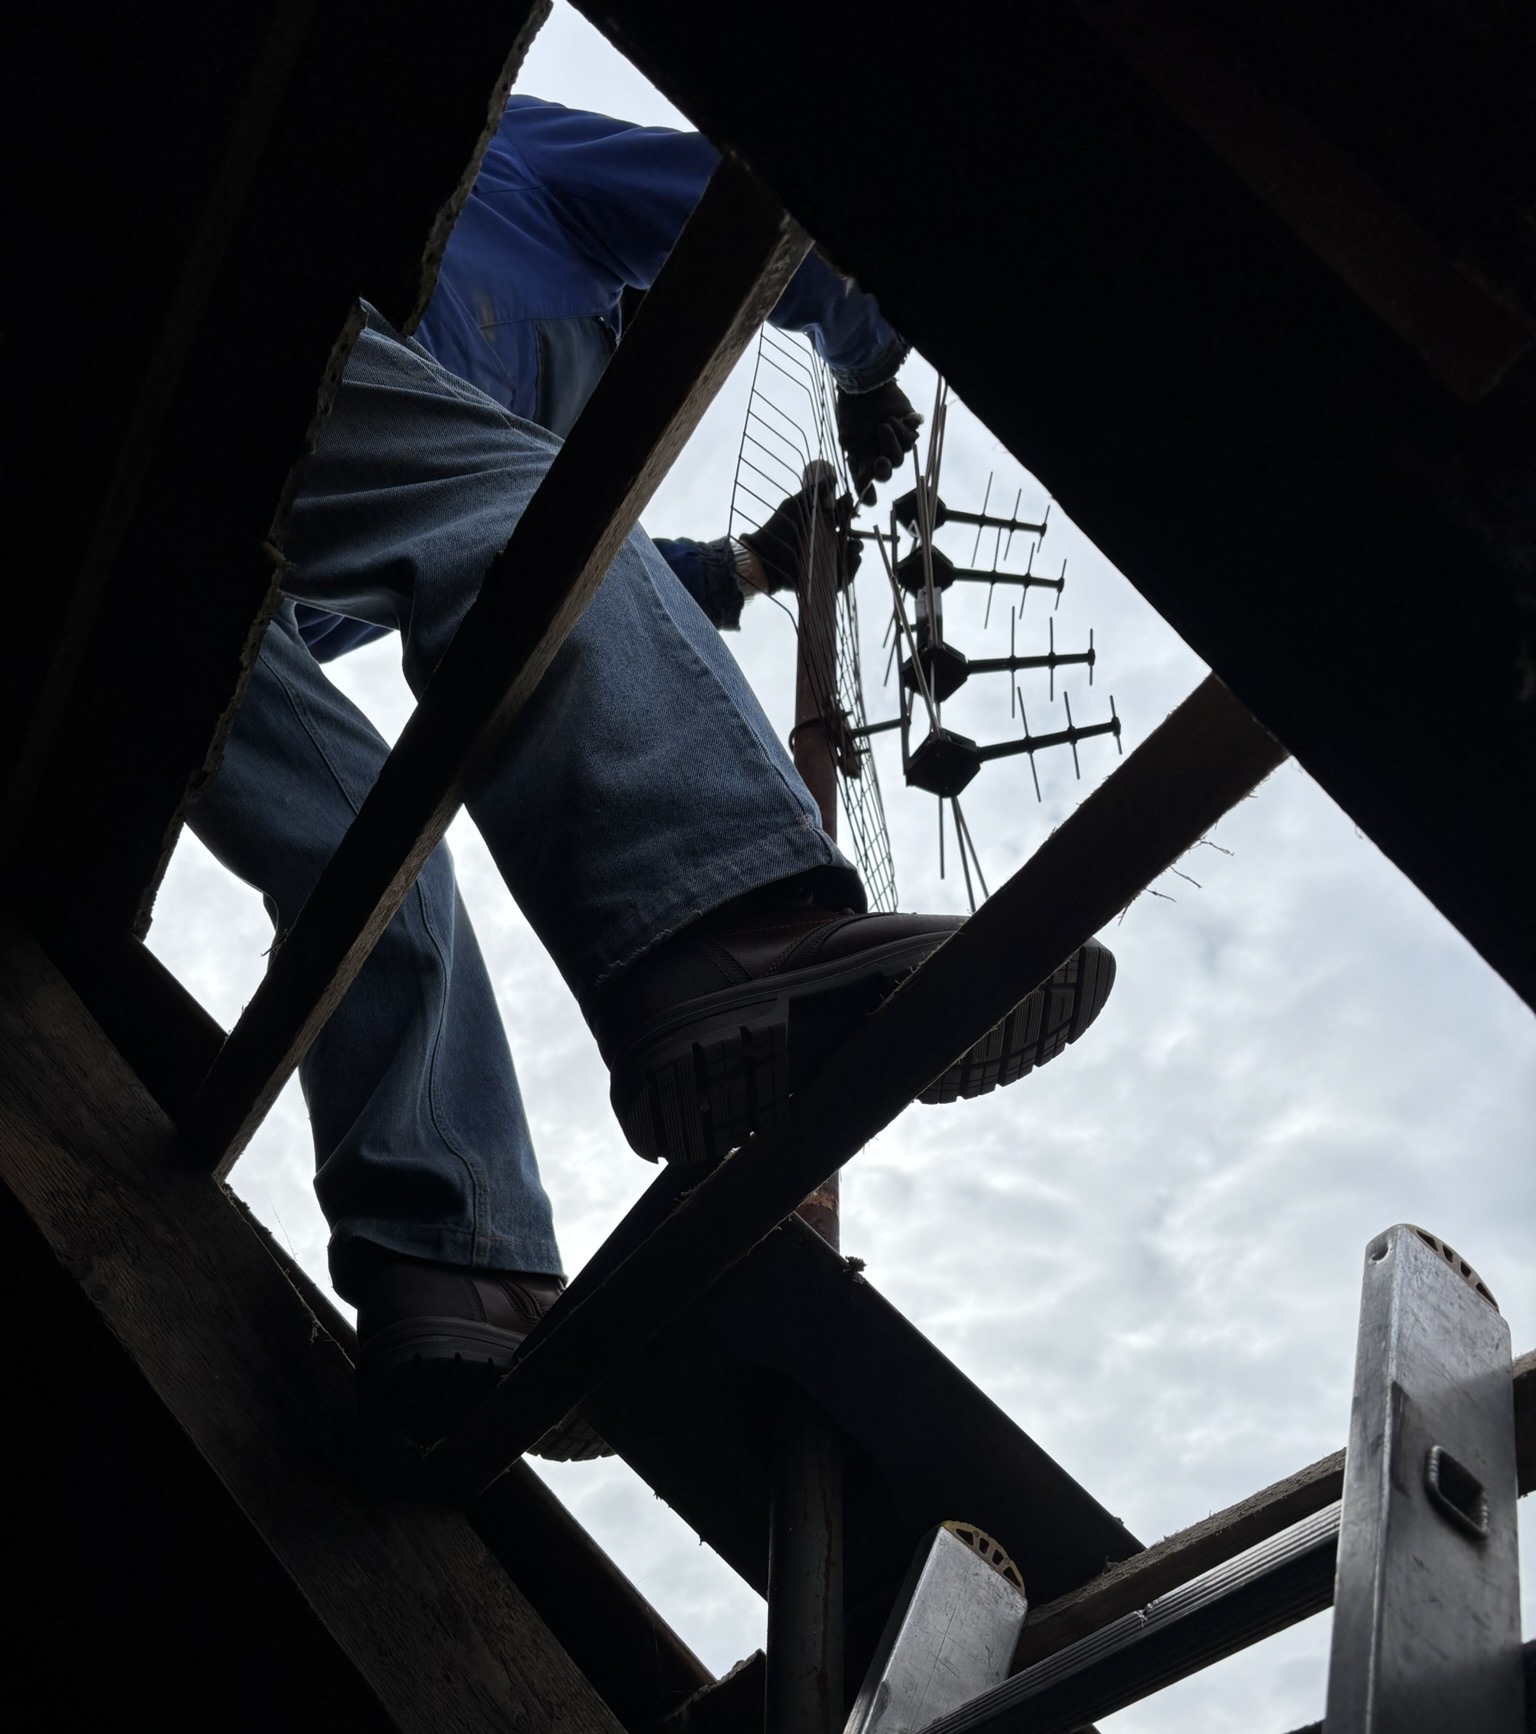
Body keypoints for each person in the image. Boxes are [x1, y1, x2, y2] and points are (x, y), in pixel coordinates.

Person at [185, 96, 1116, 1455]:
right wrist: (867, 365)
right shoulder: (531, 177)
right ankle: (722, 926)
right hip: (228, 312)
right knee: (541, 515)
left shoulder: (560, 400)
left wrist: (747, 568)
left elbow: (531, 547)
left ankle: (451, 1262)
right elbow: (752, 216)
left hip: (223, 586)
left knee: (364, 857)